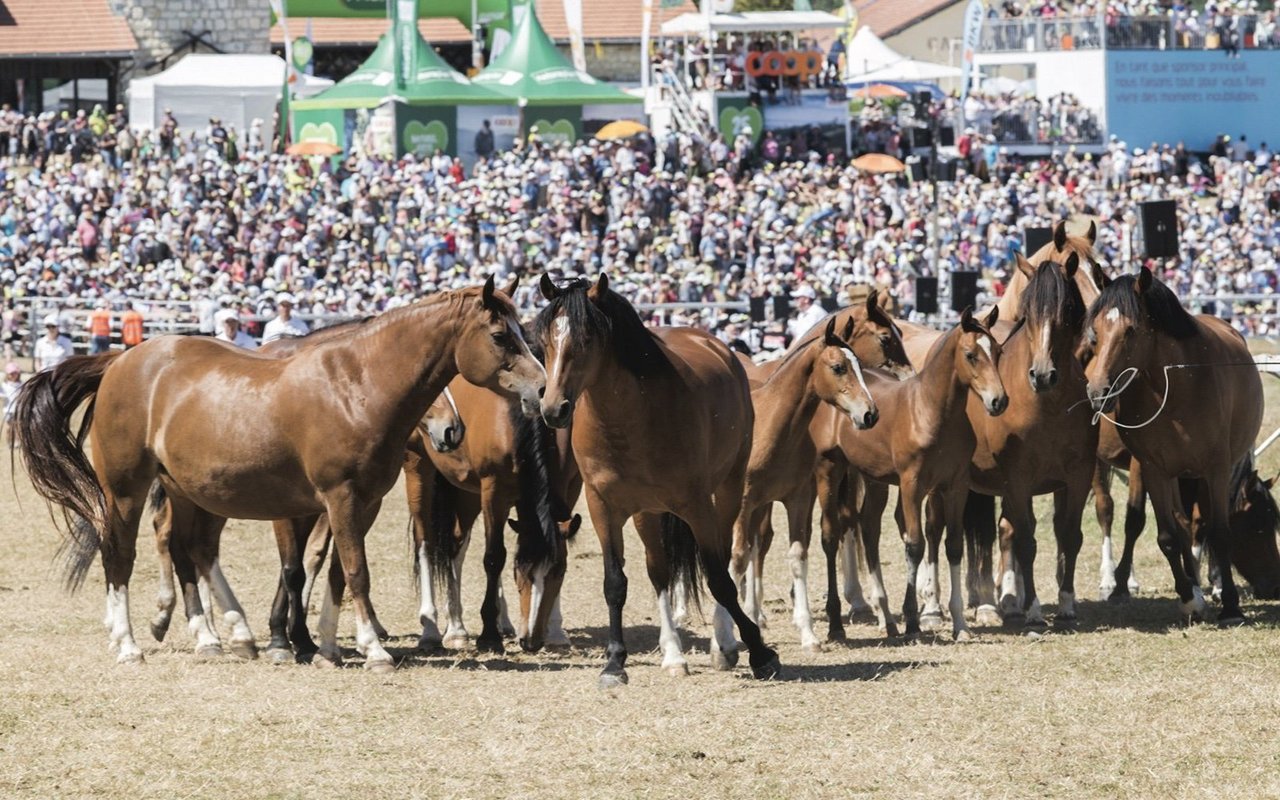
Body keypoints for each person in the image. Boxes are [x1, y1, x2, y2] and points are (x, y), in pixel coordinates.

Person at [2, 361, 22, 448]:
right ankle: (9, 442)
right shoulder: (4, 385)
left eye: (15, 373)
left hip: (17, 409)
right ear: (7, 374)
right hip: (8, 410)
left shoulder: (21, 384)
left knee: (17, 427)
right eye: (11, 373)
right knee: (9, 428)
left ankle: (17, 442)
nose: (13, 375)